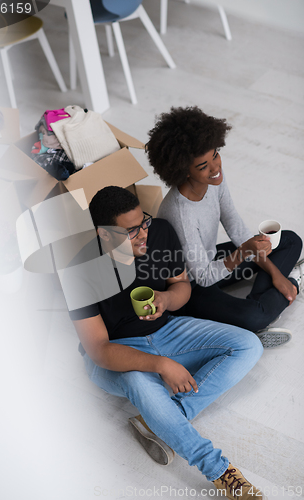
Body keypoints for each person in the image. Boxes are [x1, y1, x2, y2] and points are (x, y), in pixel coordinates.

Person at [67, 185, 266, 499]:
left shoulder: (158, 232)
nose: (143, 234)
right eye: (131, 231)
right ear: (104, 234)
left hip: (167, 330)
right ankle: (219, 471)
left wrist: (167, 298)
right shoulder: (77, 271)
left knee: (249, 345)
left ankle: (160, 418)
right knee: (137, 381)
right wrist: (161, 364)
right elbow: (99, 350)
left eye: (142, 222)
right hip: (116, 352)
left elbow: (181, 285)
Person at [146, 106, 303, 348]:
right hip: (191, 284)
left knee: (290, 240)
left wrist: (274, 273)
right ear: (182, 170)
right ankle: (289, 287)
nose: (215, 167)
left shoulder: (215, 179)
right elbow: (205, 276)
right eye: (203, 166)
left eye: (216, 154)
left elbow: (236, 226)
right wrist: (245, 254)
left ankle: (266, 301)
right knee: (253, 316)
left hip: (211, 259)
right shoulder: (179, 214)